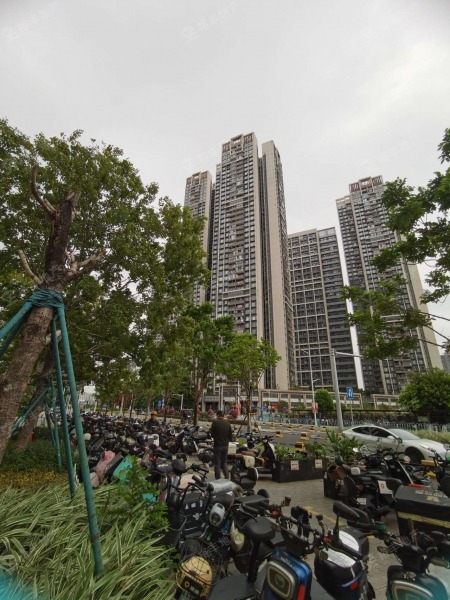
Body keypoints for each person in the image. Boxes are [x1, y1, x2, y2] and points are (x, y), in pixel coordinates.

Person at [210, 410, 233, 479]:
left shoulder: (215, 423)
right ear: (223, 416)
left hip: (217, 445)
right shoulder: (227, 423)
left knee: (217, 463)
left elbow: (212, 435)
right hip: (225, 446)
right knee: (224, 462)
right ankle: (227, 477)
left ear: (217, 415)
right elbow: (230, 436)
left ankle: (218, 479)